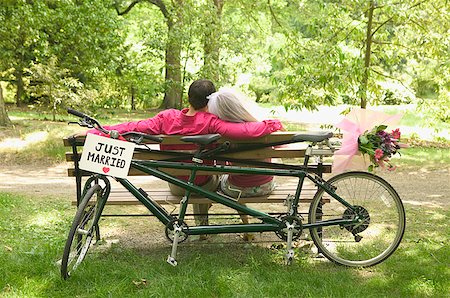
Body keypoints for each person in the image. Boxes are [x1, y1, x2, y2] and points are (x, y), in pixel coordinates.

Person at [82, 79, 283, 233]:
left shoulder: (166, 118)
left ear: (188, 98)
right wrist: (271, 124)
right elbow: (245, 131)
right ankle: (203, 227)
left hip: (175, 184)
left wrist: (100, 131)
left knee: (196, 178)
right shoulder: (211, 122)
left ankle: (201, 228)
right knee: (210, 178)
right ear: (210, 101)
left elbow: (133, 127)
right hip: (203, 184)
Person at [207, 89, 276, 240]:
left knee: (217, 182)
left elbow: (218, 166)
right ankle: (248, 230)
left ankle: (205, 223)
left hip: (236, 189)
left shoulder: (223, 133)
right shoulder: (261, 127)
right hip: (266, 186)